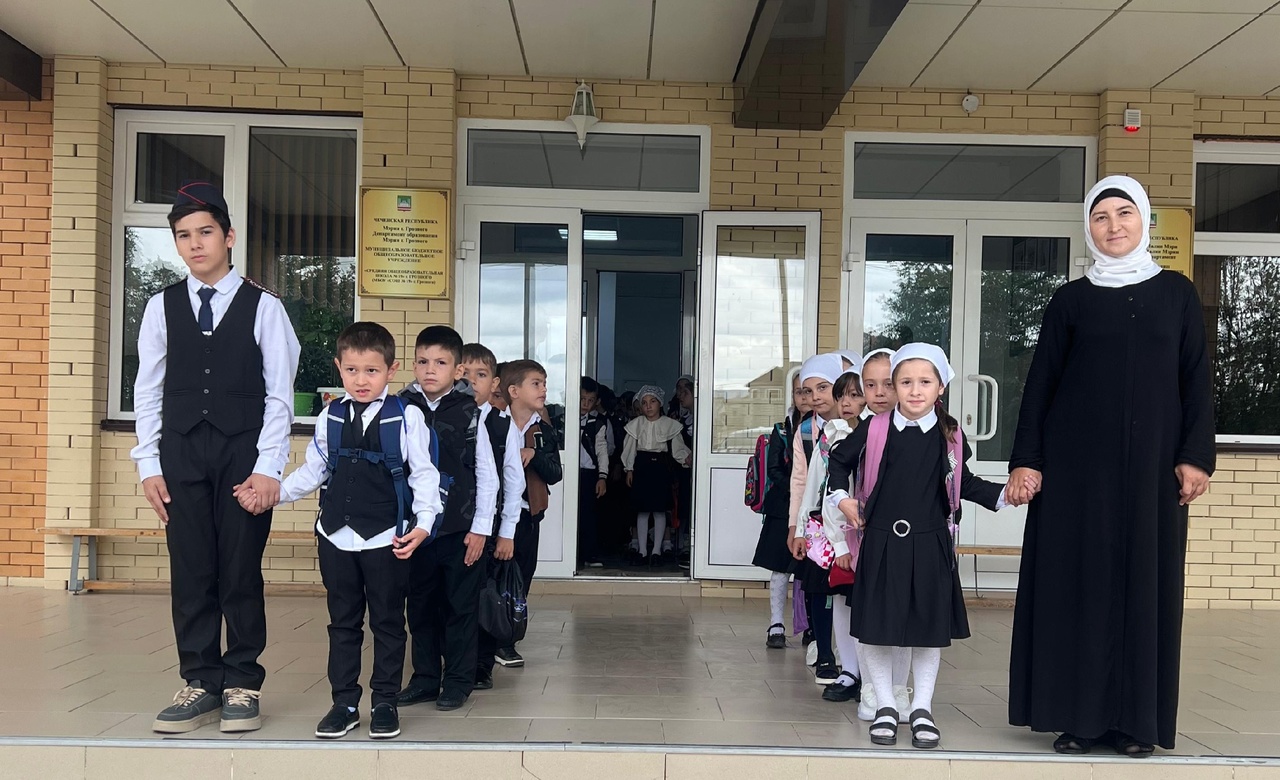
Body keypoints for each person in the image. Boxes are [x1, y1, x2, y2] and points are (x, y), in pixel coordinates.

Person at [1005, 175, 1215, 757]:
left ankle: (1136, 725)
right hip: (1077, 475)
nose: (1114, 225)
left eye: (1125, 213)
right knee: (1080, 586)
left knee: (1145, 588)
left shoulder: (1176, 294)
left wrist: (1196, 456)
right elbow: (1041, 385)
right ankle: (1080, 719)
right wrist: (1027, 462)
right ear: (1088, 228)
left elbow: (1196, 379)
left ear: (1144, 221)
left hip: (1153, 472)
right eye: (1101, 217)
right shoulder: (1070, 300)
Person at [133, 181, 300, 734]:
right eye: (184, 235)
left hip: (242, 454)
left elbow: (279, 395)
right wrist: (148, 466)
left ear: (229, 237)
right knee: (191, 570)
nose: (195, 243)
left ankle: (242, 682)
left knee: (238, 570)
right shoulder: (160, 307)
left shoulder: (265, 306)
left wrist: (269, 467)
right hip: (181, 453)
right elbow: (147, 390)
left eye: (205, 232)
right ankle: (200, 681)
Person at [826, 344, 1017, 749]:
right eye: (906, 382)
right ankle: (885, 706)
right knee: (877, 631)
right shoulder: (875, 429)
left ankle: (921, 708)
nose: (915, 390)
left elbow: (963, 482)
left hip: (931, 544)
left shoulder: (950, 435)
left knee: (926, 632)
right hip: (881, 542)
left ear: (940, 387)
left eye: (925, 382)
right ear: (894, 386)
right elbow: (838, 461)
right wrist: (842, 499)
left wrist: (1005, 495)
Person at [258, 322, 438, 740]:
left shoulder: (406, 416)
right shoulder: (331, 415)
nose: (361, 380)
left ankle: (385, 702)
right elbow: (316, 469)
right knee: (342, 623)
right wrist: (274, 493)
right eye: (352, 370)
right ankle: (344, 704)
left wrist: (425, 524)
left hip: (387, 537)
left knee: (388, 623)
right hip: (334, 535)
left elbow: (424, 475)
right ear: (339, 368)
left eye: (371, 371)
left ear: (391, 370)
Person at [395, 326, 499, 712]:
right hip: (416, 530)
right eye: (423, 361)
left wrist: (480, 529)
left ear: (458, 371)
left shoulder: (472, 412)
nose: (430, 370)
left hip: (460, 528)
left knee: (460, 607)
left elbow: (486, 475)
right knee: (420, 607)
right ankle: (424, 678)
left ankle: (457, 680)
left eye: (440, 363)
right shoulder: (400, 407)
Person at [461, 343, 524, 690]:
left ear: (495, 383)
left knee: (484, 597)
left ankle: (481, 665)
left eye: (481, 374)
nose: (472, 381)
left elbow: (513, 481)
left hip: (491, 528)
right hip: (452, 525)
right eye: (465, 373)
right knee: (450, 598)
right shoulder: (444, 416)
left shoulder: (502, 425)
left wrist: (507, 532)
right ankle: (449, 663)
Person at [499, 359, 564, 667]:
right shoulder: (495, 423)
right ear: (514, 391)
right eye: (536, 384)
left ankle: (508, 639)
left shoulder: (544, 430)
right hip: (497, 516)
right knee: (493, 577)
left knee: (522, 576)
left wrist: (534, 454)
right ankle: (486, 635)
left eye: (544, 383)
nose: (543, 389)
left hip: (528, 514)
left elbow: (555, 473)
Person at [787, 353, 844, 686]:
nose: (815, 397)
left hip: (851, 520)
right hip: (817, 522)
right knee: (820, 586)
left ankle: (852, 659)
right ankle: (825, 654)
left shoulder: (860, 424)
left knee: (848, 590)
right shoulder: (806, 431)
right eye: (807, 391)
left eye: (823, 387)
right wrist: (795, 528)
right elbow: (800, 481)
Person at [818, 368, 866, 704]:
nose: (846, 403)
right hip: (847, 534)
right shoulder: (835, 434)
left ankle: (872, 675)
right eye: (841, 396)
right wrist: (838, 543)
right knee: (841, 598)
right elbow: (829, 492)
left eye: (854, 395)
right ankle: (849, 670)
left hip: (875, 533)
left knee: (867, 603)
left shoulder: (877, 430)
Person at [751, 367, 808, 649]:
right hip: (783, 507)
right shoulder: (782, 430)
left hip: (814, 509)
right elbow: (773, 469)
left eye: (810, 391)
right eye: (799, 392)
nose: (805, 397)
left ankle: (808, 625)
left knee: (808, 570)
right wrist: (797, 489)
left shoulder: (828, 427)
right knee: (779, 567)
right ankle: (776, 623)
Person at [622, 385, 691, 567]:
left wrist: (686, 458)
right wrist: (629, 469)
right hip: (642, 467)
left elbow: (678, 448)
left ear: (660, 403)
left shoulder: (670, 424)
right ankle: (642, 551)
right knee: (642, 510)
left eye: (652, 401)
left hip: (660, 468)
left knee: (660, 510)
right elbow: (629, 449)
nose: (648, 406)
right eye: (644, 403)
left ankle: (657, 551)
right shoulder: (636, 425)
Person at [578, 377, 610, 569]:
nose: (585, 404)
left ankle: (589, 554)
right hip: (568, 472)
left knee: (588, 516)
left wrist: (602, 476)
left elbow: (602, 451)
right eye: (582, 399)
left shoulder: (598, 424)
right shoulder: (561, 419)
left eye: (590, 400)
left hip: (589, 474)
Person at [860, 349, 896, 419]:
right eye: (871, 385)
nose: (879, 393)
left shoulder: (913, 424)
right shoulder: (849, 426)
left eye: (889, 384)